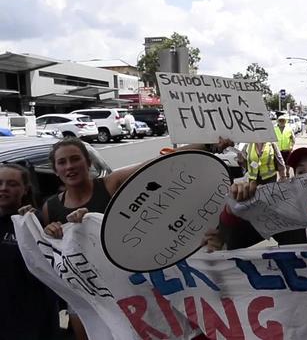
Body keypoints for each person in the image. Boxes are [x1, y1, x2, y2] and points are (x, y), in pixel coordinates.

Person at [41, 136, 232, 340]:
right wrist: (52, 231)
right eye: (62, 162)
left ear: (88, 163)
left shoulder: (110, 185)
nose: (70, 166)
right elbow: (54, 254)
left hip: (143, 288)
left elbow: (158, 165)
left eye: (75, 159)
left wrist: (209, 145)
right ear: (55, 170)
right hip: (99, 299)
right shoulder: (50, 208)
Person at [0, 163, 60, 339]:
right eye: (0, 183)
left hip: (31, 323)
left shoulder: (34, 223)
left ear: (25, 189)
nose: (4, 189)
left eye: (12, 184)